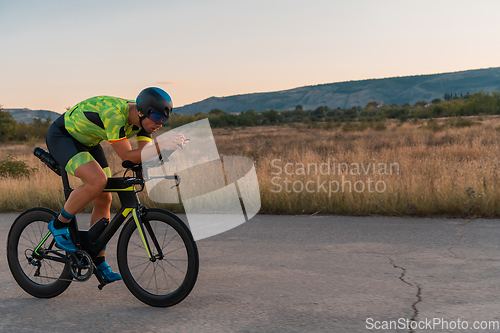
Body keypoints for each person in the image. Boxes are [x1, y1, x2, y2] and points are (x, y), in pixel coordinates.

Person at [45, 87, 186, 282]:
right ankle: (59, 223)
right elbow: (127, 156)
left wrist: (166, 153)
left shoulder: (144, 124)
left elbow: (142, 156)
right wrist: (161, 145)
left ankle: (98, 261)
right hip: (63, 137)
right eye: (156, 118)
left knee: (105, 198)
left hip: (89, 141)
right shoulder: (115, 114)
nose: (159, 124)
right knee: (98, 181)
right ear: (141, 112)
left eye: (163, 120)